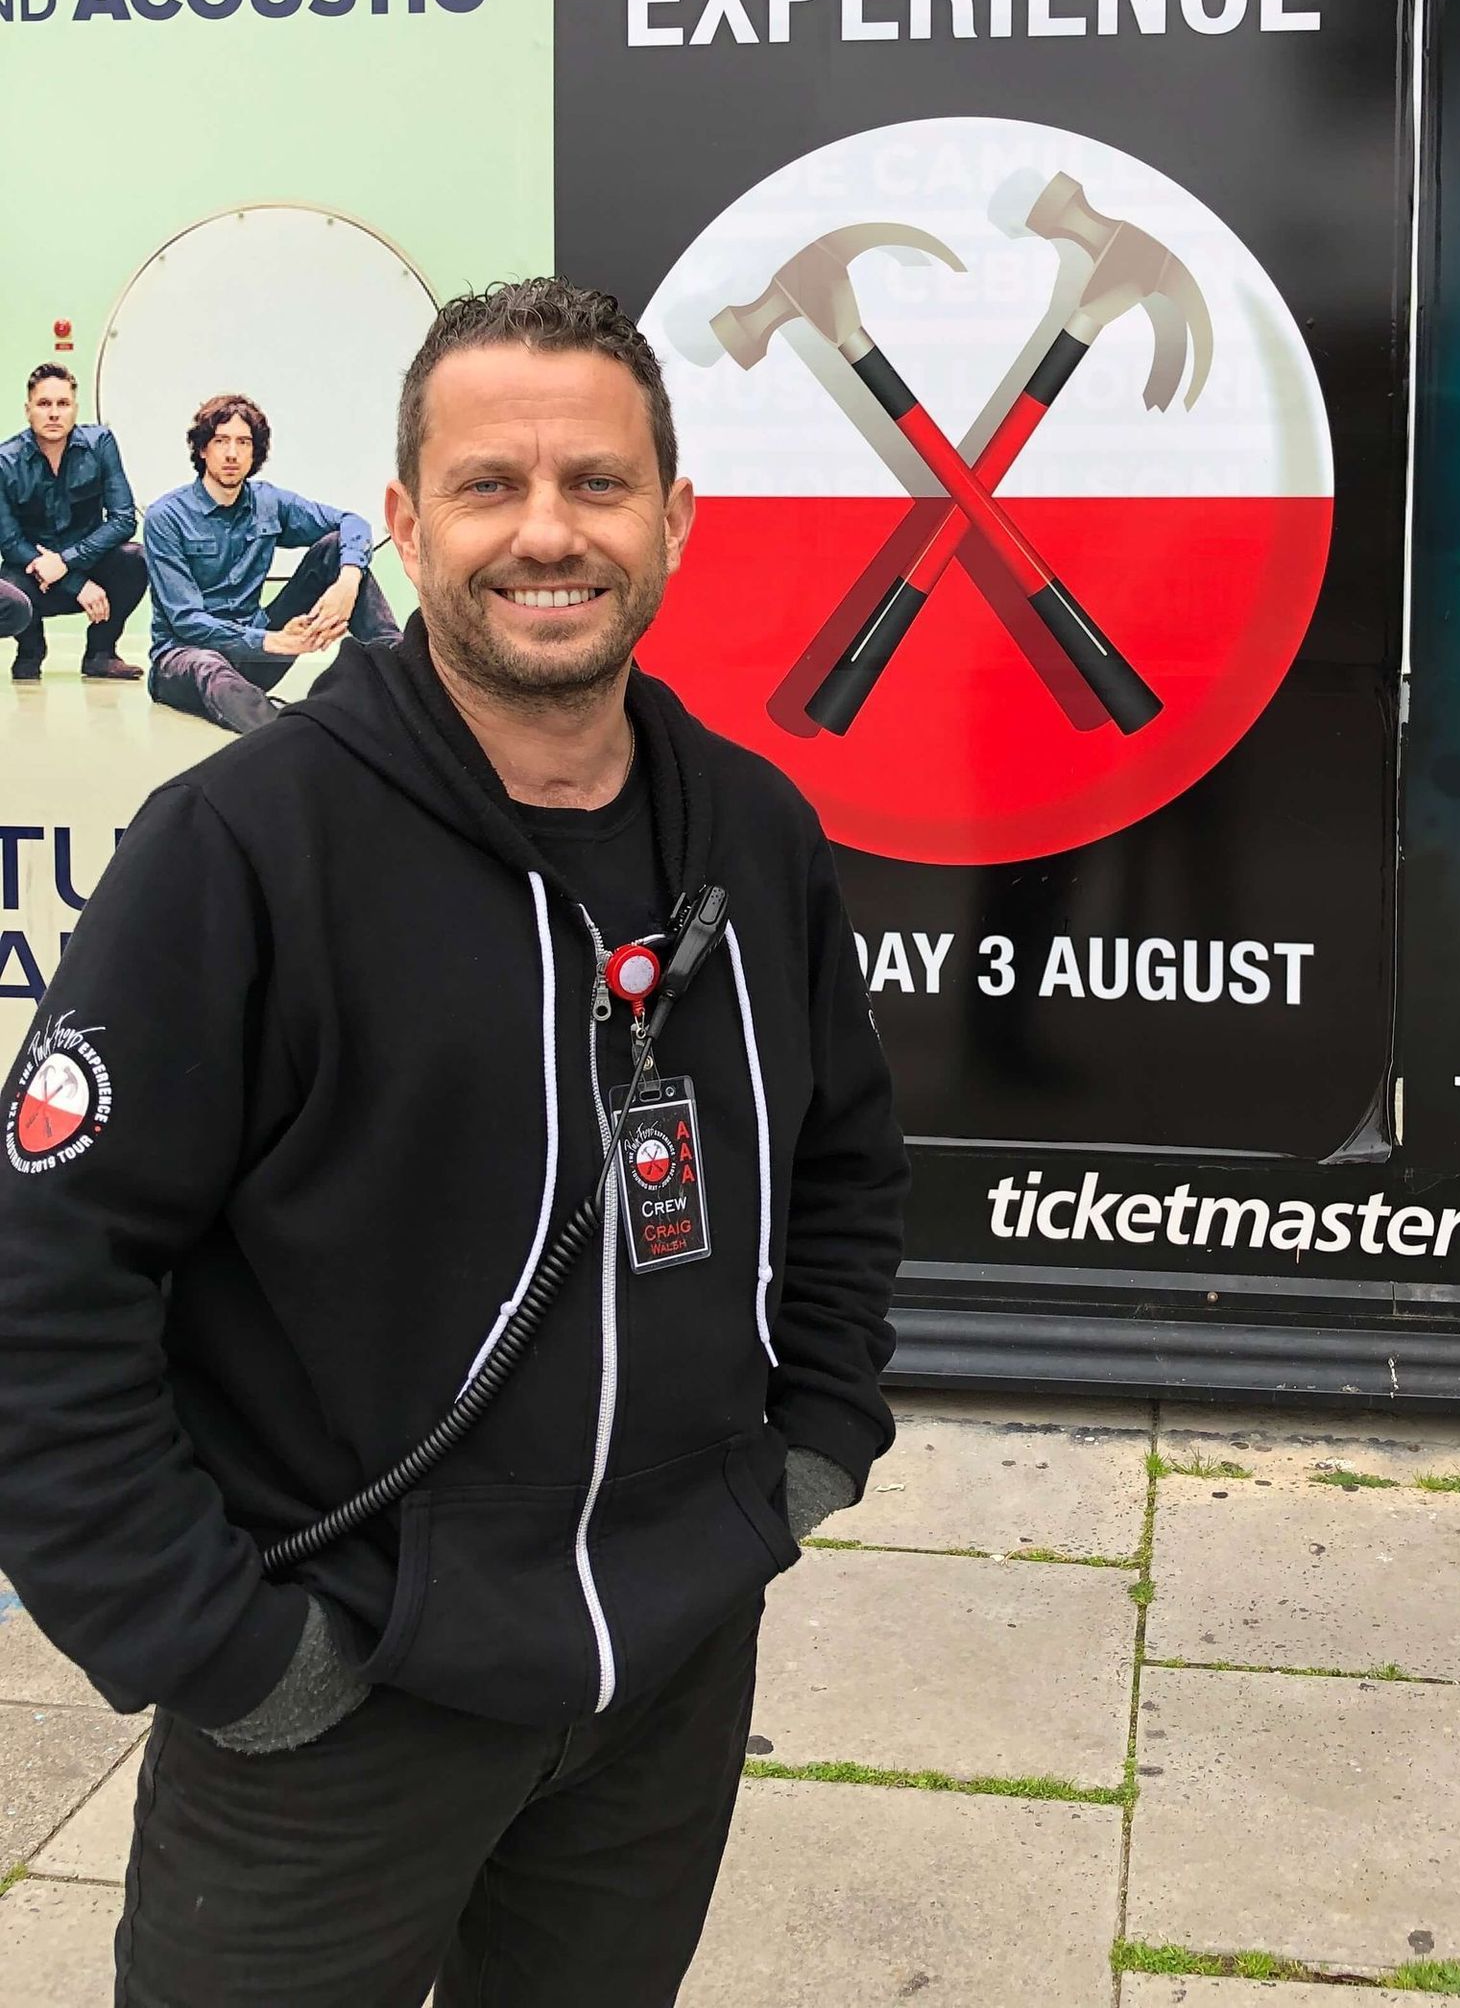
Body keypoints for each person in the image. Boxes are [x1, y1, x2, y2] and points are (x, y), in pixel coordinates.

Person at [0, 280, 908, 2005]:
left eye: (598, 484)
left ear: (675, 519)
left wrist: (803, 1457)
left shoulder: (754, 836)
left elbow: (848, 1165)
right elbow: (45, 1276)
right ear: (407, 524)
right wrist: (225, 1647)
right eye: (490, 486)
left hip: (664, 1680)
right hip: (336, 1709)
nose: (546, 533)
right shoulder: (241, 847)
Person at [143, 390, 401, 734]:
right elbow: (187, 621)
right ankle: (291, 736)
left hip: (254, 653)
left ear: (255, 453)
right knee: (209, 666)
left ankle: (404, 680)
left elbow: (352, 523)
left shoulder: (268, 502)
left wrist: (347, 581)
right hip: (184, 660)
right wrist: (274, 641)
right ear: (203, 449)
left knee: (336, 547)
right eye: (221, 441)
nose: (232, 454)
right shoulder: (166, 517)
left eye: (243, 443)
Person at [0, 361, 148, 683]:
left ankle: (101, 653)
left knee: (136, 559)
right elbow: (10, 542)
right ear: (28, 410)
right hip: (32, 573)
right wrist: (72, 582)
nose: (54, 413)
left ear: (75, 409)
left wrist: (67, 563)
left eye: (62, 404)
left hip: (90, 565)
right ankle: (30, 652)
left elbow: (123, 520)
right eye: (44, 404)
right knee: (9, 587)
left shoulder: (101, 444)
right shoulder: (5, 461)